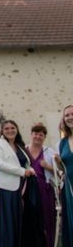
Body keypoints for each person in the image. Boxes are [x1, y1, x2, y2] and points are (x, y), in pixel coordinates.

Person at [0, 120, 35, 247]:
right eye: (7, 128)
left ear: (17, 129)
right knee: (10, 220)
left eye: (13, 128)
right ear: (2, 131)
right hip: (8, 188)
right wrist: (22, 172)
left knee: (22, 218)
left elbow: (26, 163)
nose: (10, 130)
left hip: (24, 186)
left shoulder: (19, 145)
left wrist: (30, 170)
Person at [26, 122, 56, 247]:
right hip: (27, 191)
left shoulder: (50, 152)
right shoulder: (24, 151)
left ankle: (49, 244)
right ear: (31, 135)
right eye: (36, 134)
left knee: (47, 220)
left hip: (45, 190)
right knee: (30, 219)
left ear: (44, 137)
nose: (38, 136)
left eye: (41, 135)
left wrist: (48, 167)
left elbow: (60, 173)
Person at [56, 104, 73, 246]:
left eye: (72, 114)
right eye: (67, 115)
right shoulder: (62, 143)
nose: (70, 117)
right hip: (69, 187)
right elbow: (63, 169)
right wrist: (58, 162)